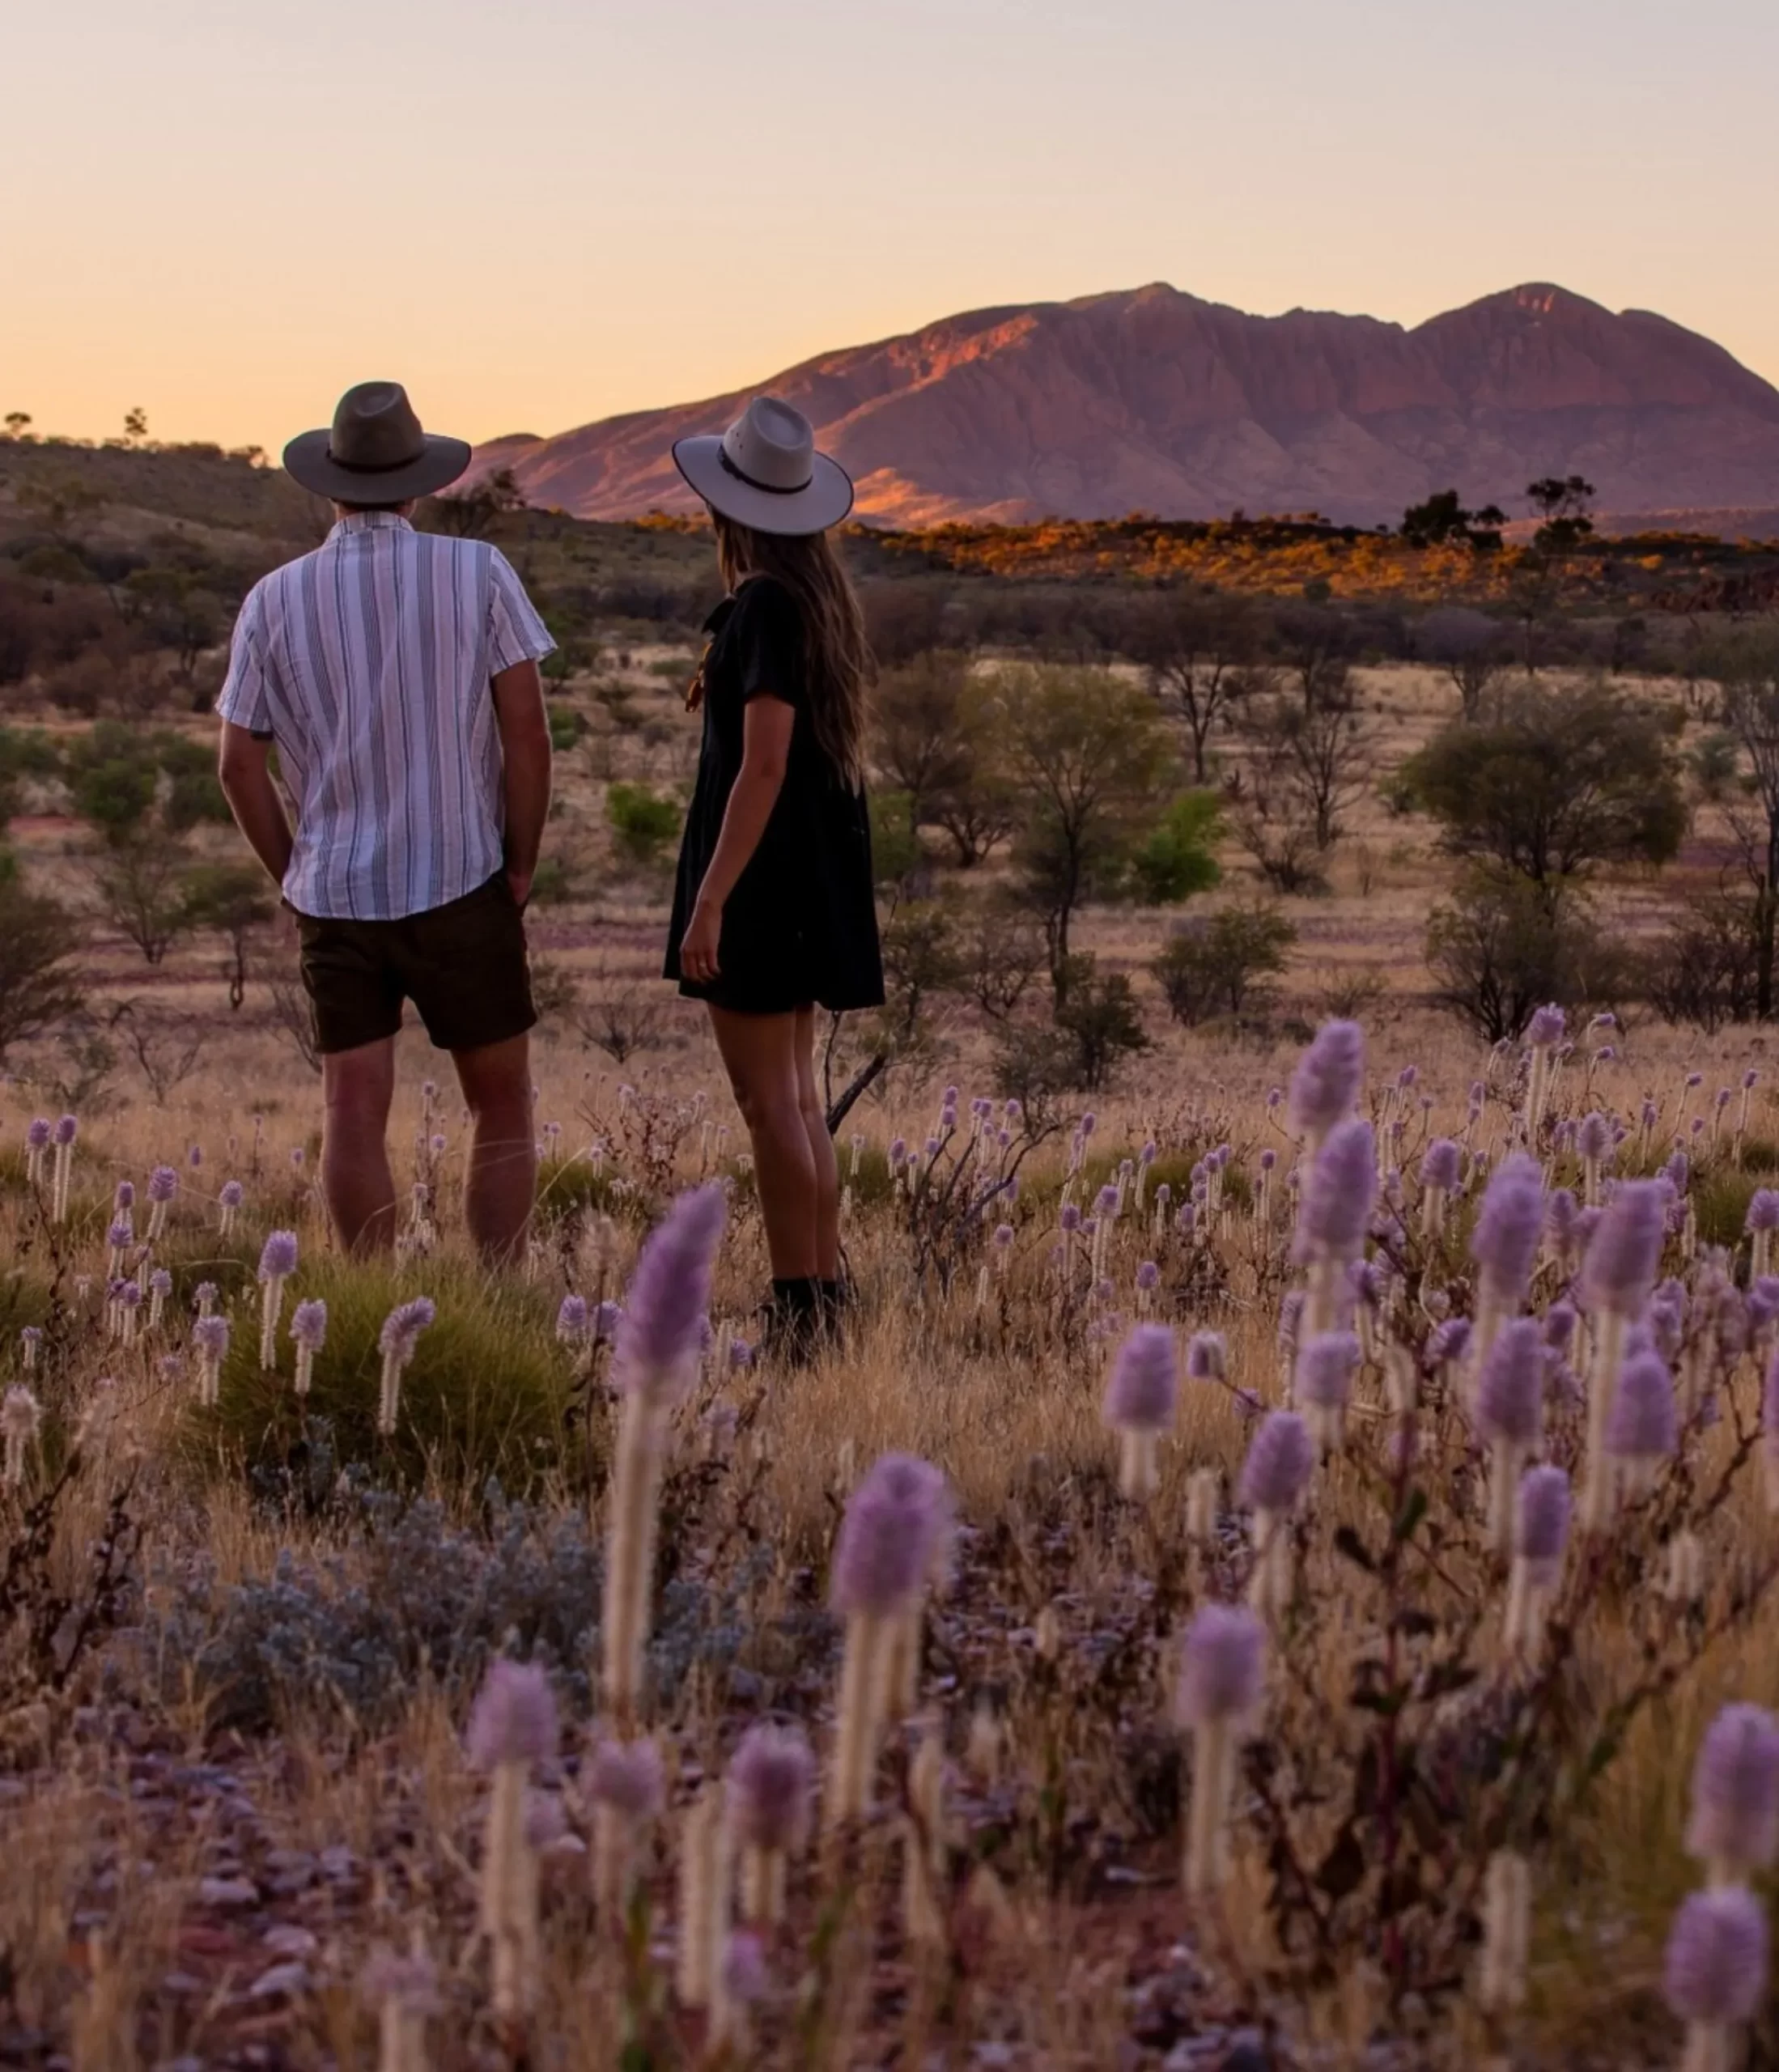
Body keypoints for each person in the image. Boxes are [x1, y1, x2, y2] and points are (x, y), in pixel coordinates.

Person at [214, 380, 556, 1265]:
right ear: (417, 484)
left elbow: (236, 763)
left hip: (336, 892)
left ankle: (368, 1312)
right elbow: (527, 733)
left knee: (351, 1111)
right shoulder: (477, 574)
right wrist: (518, 864)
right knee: (501, 1103)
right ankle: (501, 1300)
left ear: (331, 484)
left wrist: (294, 871)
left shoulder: (272, 600)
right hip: (460, 876)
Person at [667, 396, 885, 1353]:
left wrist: (710, 897)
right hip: (802, 876)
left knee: (770, 1106)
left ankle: (799, 1302)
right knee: (795, 1099)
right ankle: (822, 1292)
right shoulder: (812, 601)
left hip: (758, 883)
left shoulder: (759, 606)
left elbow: (760, 764)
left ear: (731, 511)